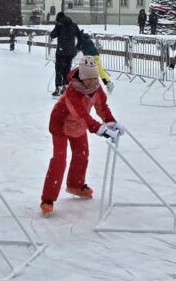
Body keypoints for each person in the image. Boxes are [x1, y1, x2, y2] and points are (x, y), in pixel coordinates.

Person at [40, 56, 122, 217]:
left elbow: (102, 107)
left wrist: (111, 122)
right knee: (59, 160)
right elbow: (83, 114)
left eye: (95, 77)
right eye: (89, 79)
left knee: (82, 154)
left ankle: (75, 185)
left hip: (79, 126)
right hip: (60, 125)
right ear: (82, 78)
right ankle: (48, 198)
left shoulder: (97, 88)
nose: (93, 82)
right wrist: (100, 129)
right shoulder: (72, 92)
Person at [48, 12, 80, 96]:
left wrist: (56, 27)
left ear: (58, 18)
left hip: (61, 52)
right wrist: (76, 49)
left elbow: (53, 34)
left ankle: (58, 88)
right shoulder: (74, 25)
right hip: (70, 52)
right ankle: (66, 87)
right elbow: (80, 36)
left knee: (58, 70)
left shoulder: (59, 24)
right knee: (67, 70)